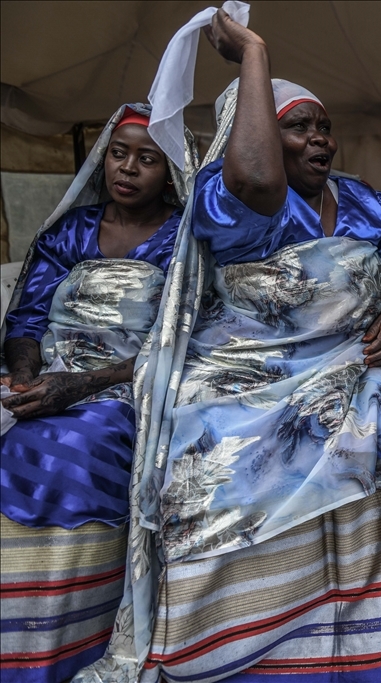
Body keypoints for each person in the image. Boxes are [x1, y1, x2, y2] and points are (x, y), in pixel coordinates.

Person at [88, 12, 381, 683]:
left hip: (349, 364)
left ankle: (360, 647)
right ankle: (235, 648)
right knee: (214, 447)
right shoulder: (227, 191)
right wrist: (254, 53)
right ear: (261, 129)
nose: (320, 138)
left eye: (324, 125)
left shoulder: (365, 202)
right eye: (298, 125)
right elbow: (260, 180)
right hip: (243, 371)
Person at [0, 105, 192, 683]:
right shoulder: (69, 233)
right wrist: (26, 376)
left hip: (126, 388)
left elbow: (181, 339)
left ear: (172, 171)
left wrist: (80, 386)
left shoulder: (184, 240)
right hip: (48, 378)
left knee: (65, 451)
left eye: (147, 158)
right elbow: (26, 322)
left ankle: (51, 649)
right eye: (118, 153)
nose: (128, 168)